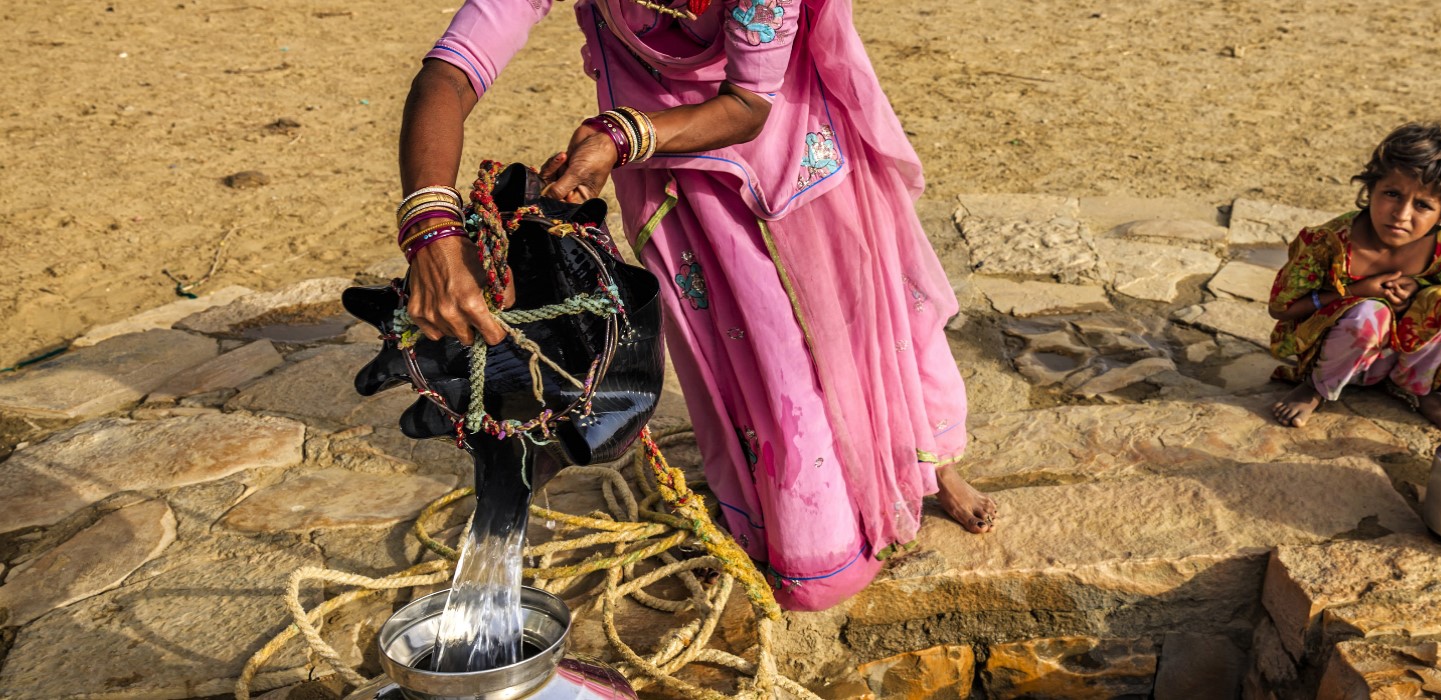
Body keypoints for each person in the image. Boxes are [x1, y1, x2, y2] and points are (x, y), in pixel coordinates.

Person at [390, 0, 995, 611]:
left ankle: (930, 466)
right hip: (666, 169)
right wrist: (433, 229)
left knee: (853, 324)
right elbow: (450, 71)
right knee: (749, 345)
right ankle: (794, 505)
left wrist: (620, 135)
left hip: (780, 141)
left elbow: (749, 104)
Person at [1267, 122, 1441, 431]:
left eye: (1422, 205)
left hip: (1392, 361)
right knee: (1370, 313)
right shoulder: (1329, 243)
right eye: (1392, 194)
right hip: (1332, 354)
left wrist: (1416, 289)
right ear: (1370, 190)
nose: (1402, 214)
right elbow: (1281, 309)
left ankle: (1416, 387)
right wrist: (1354, 291)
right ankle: (1315, 388)